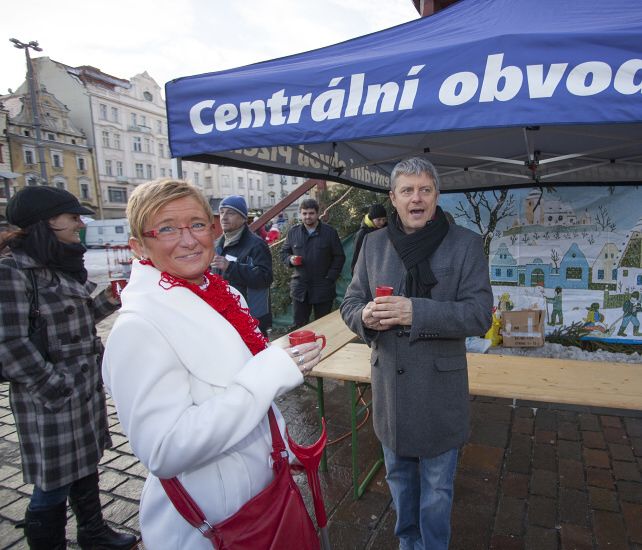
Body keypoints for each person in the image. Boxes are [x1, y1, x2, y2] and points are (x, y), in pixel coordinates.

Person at [101, 179, 322, 549]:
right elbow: (165, 449)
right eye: (167, 228)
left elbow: (232, 377)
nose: (188, 240)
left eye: (197, 224)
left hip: (262, 493)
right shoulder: (137, 328)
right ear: (139, 247)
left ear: (213, 229)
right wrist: (269, 373)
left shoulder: (223, 293)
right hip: (214, 523)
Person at [340, 157, 492, 550]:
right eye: (407, 190)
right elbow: (350, 303)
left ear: (437, 195)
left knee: (437, 490)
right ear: (393, 198)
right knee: (400, 483)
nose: (416, 198)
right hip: (391, 390)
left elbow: (479, 315)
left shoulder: (465, 244)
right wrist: (364, 316)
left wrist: (416, 312)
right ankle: (408, 543)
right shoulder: (373, 244)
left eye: (425, 189)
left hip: (440, 392)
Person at [0, 186, 136, 550]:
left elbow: (74, 322)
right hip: (49, 400)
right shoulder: (12, 271)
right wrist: (56, 388)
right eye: (73, 217)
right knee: (53, 484)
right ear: (47, 222)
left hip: (82, 391)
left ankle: (94, 533)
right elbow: (9, 345)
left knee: (85, 465)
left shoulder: (58, 264)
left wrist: (109, 300)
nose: (81, 224)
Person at [211, 195, 273, 336]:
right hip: (224, 315)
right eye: (222, 212)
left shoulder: (256, 245)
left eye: (231, 213)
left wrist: (230, 267)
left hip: (251, 317)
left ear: (244, 218)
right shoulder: (216, 244)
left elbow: (265, 277)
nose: (224, 217)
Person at [281, 198, 346, 328]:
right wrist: (290, 259)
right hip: (300, 288)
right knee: (299, 326)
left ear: (317, 214)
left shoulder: (329, 232)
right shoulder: (293, 232)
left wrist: (330, 277)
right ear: (300, 214)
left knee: (323, 326)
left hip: (323, 287)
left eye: (311, 213)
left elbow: (339, 257)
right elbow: (284, 252)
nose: (307, 217)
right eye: (304, 213)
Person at [350, 203, 387, 274]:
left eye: (384, 219)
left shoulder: (386, 228)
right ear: (371, 219)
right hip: (369, 269)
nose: (382, 222)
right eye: (379, 219)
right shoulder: (362, 234)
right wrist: (355, 273)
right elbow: (357, 255)